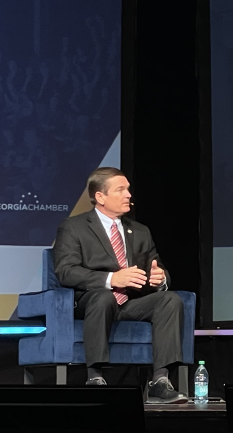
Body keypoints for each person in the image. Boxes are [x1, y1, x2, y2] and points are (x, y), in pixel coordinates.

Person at [52, 167, 186, 402]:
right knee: (103, 296)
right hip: (93, 301)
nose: (128, 195)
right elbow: (66, 271)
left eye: (128, 190)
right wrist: (110, 279)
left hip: (130, 302)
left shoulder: (141, 231)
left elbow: (157, 267)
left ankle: (160, 381)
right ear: (100, 197)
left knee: (170, 299)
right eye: (120, 190)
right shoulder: (74, 227)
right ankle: (95, 377)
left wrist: (160, 279)